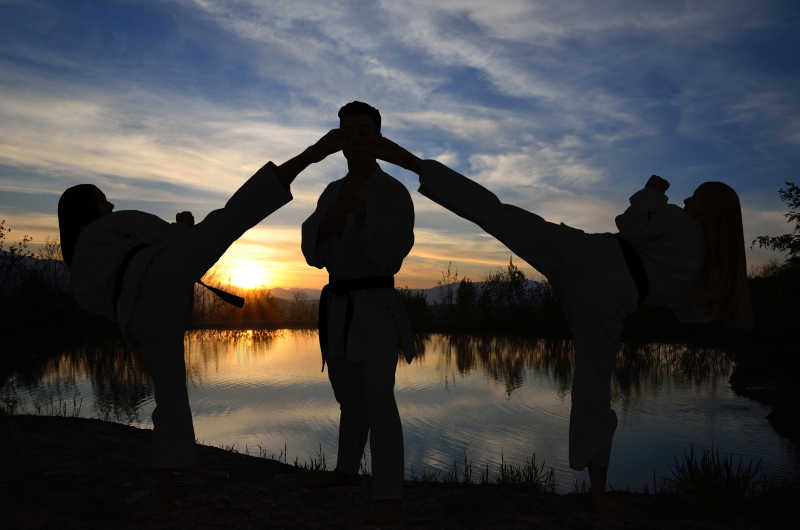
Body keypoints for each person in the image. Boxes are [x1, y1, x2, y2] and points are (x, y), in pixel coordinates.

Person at [361, 135, 753, 513]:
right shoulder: (706, 267)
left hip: (587, 259)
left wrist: (651, 192)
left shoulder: (681, 223)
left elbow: (627, 224)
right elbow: (676, 306)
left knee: (494, 212)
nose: (687, 198)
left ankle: (410, 161)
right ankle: (599, 493)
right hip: (609, 302)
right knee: (592, 391)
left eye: (695, 195)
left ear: (707, 208)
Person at [57, 130, 344, 509]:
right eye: (103, 201)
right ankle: (311, 155)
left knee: (170, 396)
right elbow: (164, 237)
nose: (111, 206)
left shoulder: (78, 268)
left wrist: (170, 251)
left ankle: (167, 482)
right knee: (232, 216)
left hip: (138, 321)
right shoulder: (112, 225)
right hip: (162, 282)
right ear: (89, 211)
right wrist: (182, 235)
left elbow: (102, 301)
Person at [301, 101, 415, 525]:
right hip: (337, 304)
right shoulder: (331, 191)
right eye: (347, 132)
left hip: (375, 305)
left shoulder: (392, 192)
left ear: (378, 138)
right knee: (347, 395)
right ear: (340, 140)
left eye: (364, 131)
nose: (355, 140)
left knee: (379, 398)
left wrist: (363, 214)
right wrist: (334, 216)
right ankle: (347, 471)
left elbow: (392, 254)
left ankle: (389, 492)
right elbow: (314, 252)